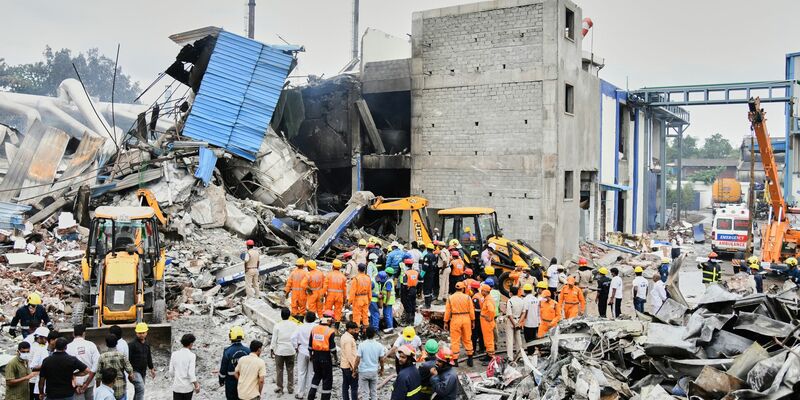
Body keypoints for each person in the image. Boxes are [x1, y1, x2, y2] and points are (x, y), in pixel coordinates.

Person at [307, 311, 338, 400]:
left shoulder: (314, 329)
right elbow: (333, 349)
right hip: (325, 357)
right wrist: (336, 358)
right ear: (329, 320)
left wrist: (311, 356)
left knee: (316, 376)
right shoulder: (330, 331)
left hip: (315, 356)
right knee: (327, 380)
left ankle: (310, 397)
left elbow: (310, 346)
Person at [445, 281, 475, 366]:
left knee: (455, 340)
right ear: (463, 289)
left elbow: (447, 311)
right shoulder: (468, 297)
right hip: (466, 318)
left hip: (455, 319)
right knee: (467, 338)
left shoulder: (450, 298)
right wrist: (473, 320)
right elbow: (471, 310)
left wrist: (446, 322)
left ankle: (455, 360)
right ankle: (470, 358)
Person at [67, 324, 100, 400]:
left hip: (75, 383)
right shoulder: (91, 345)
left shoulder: (68, 347)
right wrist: (86, 384)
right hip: (90, 381)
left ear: (73, 334)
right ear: (84, 333)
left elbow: (66, 368)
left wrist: (75, 386)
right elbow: (96, 364)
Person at [97, 334, 135, 400]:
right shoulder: (122, 356)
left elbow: (98, 376)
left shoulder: (102, 357)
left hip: (107, 390)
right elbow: (130, 371)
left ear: (106, 344)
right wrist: (131, 378)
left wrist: (98, 389)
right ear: (117, 343)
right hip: (121, 389)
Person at [271, 307, 298, 395]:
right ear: (289, 315)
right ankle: (290, 388)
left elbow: (274, 339)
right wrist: (296, 347)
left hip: (280, 351)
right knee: (290, 369)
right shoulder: (294, 325)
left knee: (279, 370)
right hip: (291, 350)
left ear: (281, 315)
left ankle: (280, 388)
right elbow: (296, 338)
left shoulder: (277, 325)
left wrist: (272, 349)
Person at [219, 326, 250, 400]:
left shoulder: (227, 351)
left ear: (230, 336)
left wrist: (221, 380)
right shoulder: (248, 350)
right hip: (245, 380)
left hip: (231, 382)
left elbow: (223, 368)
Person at [354, 326, 385, 400]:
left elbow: (357, 359)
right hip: (374, 371)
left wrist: (354, 370)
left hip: (363, 372)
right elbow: (381, 360)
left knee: (365, 394)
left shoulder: (362, 345)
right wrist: (382, 369)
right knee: (374, 392)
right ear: (374, 334)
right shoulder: (379, 346)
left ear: (366, 334)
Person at [292, 312, 317, 399]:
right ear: (314, 319)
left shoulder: (300, 327)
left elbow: (293, 338)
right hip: (313, 352)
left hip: (302, 351)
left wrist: (296, 347)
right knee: (311, 373)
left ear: (305, 318)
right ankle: (311, 393)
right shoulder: (316, 327)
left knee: (301, 372)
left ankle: (300, 393)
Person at [128, 323, 155, 400]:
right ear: (136, 333)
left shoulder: (147, 343)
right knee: (141, 388)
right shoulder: (132, 345)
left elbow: (148, 356)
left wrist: (151, 368)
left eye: (143, 333)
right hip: (134, 371)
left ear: (146, 332)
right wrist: (130, 372)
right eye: (139, 333)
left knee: (138, 390)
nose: (142, 335)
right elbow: (128, 359)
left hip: (143, 371)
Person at [169, 334, 200, 399]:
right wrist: (196, 385)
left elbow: (171, 371)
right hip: (187, 388)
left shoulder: (174, 354)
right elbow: (191, 373)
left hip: (177, 387)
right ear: (191, 343)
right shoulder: (192, 355)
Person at [504, 286, 526, 363]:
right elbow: (523, 313)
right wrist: (518, 323)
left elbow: (509, 315)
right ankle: (520, 356)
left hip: (511, 321)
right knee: (518, 339)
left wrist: (514, 324)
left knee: (510, 340)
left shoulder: (510, 301)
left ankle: (510, 357)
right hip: (518, 320)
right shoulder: (522, 300)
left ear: (510, 293)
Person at [349, 263, 372, 332]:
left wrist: (350, 301)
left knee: (356, 316)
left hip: (358, 299)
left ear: (358, 269)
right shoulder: (368, 278)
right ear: (364, 270)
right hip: (365, 298)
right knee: (365, 315)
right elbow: (370, 290)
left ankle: (357, 331)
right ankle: (366, 331)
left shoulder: (356, 279)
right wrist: (369, 300)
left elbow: (352, 291)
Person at [324, 259, 347, 326]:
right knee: (338, 312)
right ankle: (336, 327)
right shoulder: (343, 277)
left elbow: (325, 286)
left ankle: (327, 326)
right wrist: (344, 298)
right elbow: (344, 289)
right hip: (339, 297)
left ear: (333, 266)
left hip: (330, 296)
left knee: (328, 311)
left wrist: (323, 295)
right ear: (340, 267)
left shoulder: (329, 275)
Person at [339, 322, 360, 400]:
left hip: (344, 365)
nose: (356, 331)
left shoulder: (344, 336)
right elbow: (349, 355)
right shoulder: (348, 339)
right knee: (354, 386)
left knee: (345, 385)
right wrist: (354, 369)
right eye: (354, 330)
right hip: (349, 366)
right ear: (349, 329)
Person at [479, 283, 497, 365]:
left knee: (489, 340)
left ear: (485, 291)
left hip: (487, 323)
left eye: (482, 291)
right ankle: (488, 354)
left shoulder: (488, 300)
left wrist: (489, 318)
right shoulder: (487, 298)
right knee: (487, 339)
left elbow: (492, 311)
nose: (481, 292)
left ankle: (490, 357)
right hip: (486, 322)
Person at [401, 258, 420, 324]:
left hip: (408, 291)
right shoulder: (416, 272)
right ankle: (412, 321)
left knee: (408, 306)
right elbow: (421, 279)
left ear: (406, 265)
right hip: (414, 290)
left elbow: (404, 284)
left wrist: (404, 294)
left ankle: (408, 322)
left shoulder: (406, 273)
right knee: (413, 304)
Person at [521, 283, 540, 348]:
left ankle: (530, 352)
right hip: (535, 323)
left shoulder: (525, 300)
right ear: (531, 291)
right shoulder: (536, 299)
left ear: (524, 291)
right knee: (534, 339)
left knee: (528, 340)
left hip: (528, 323)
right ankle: (533, 351)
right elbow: (538, 311)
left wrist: (522, 321)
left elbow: (525, 312)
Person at [380, 268, 397, 333]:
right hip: (390, 300)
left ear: (387, 274)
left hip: (388, 301)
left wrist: (386, 302)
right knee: (389, 314)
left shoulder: (388, 282)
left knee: (386, 314)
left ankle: (390, 328)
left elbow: (388, 292)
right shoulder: (390, 280)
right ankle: (391, 327)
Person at [421, 243, 438, 308]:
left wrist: (421, 276)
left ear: (427, 249)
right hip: (432, 274)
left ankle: (427, 304)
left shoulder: (427, 256)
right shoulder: (434, 256)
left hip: (427, 275)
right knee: (430, 289)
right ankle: (429, 303)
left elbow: (425, 267)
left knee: (426, 289)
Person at [470, 282, 485, 356]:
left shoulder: (475, 297)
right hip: (481, 317)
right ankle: (482, 349)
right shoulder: (481, 295)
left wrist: (473, 318)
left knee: (474, 335)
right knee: (481, 333)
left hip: (477, 317)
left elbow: (477, 308)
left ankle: (473, 350)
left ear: (472, 288)